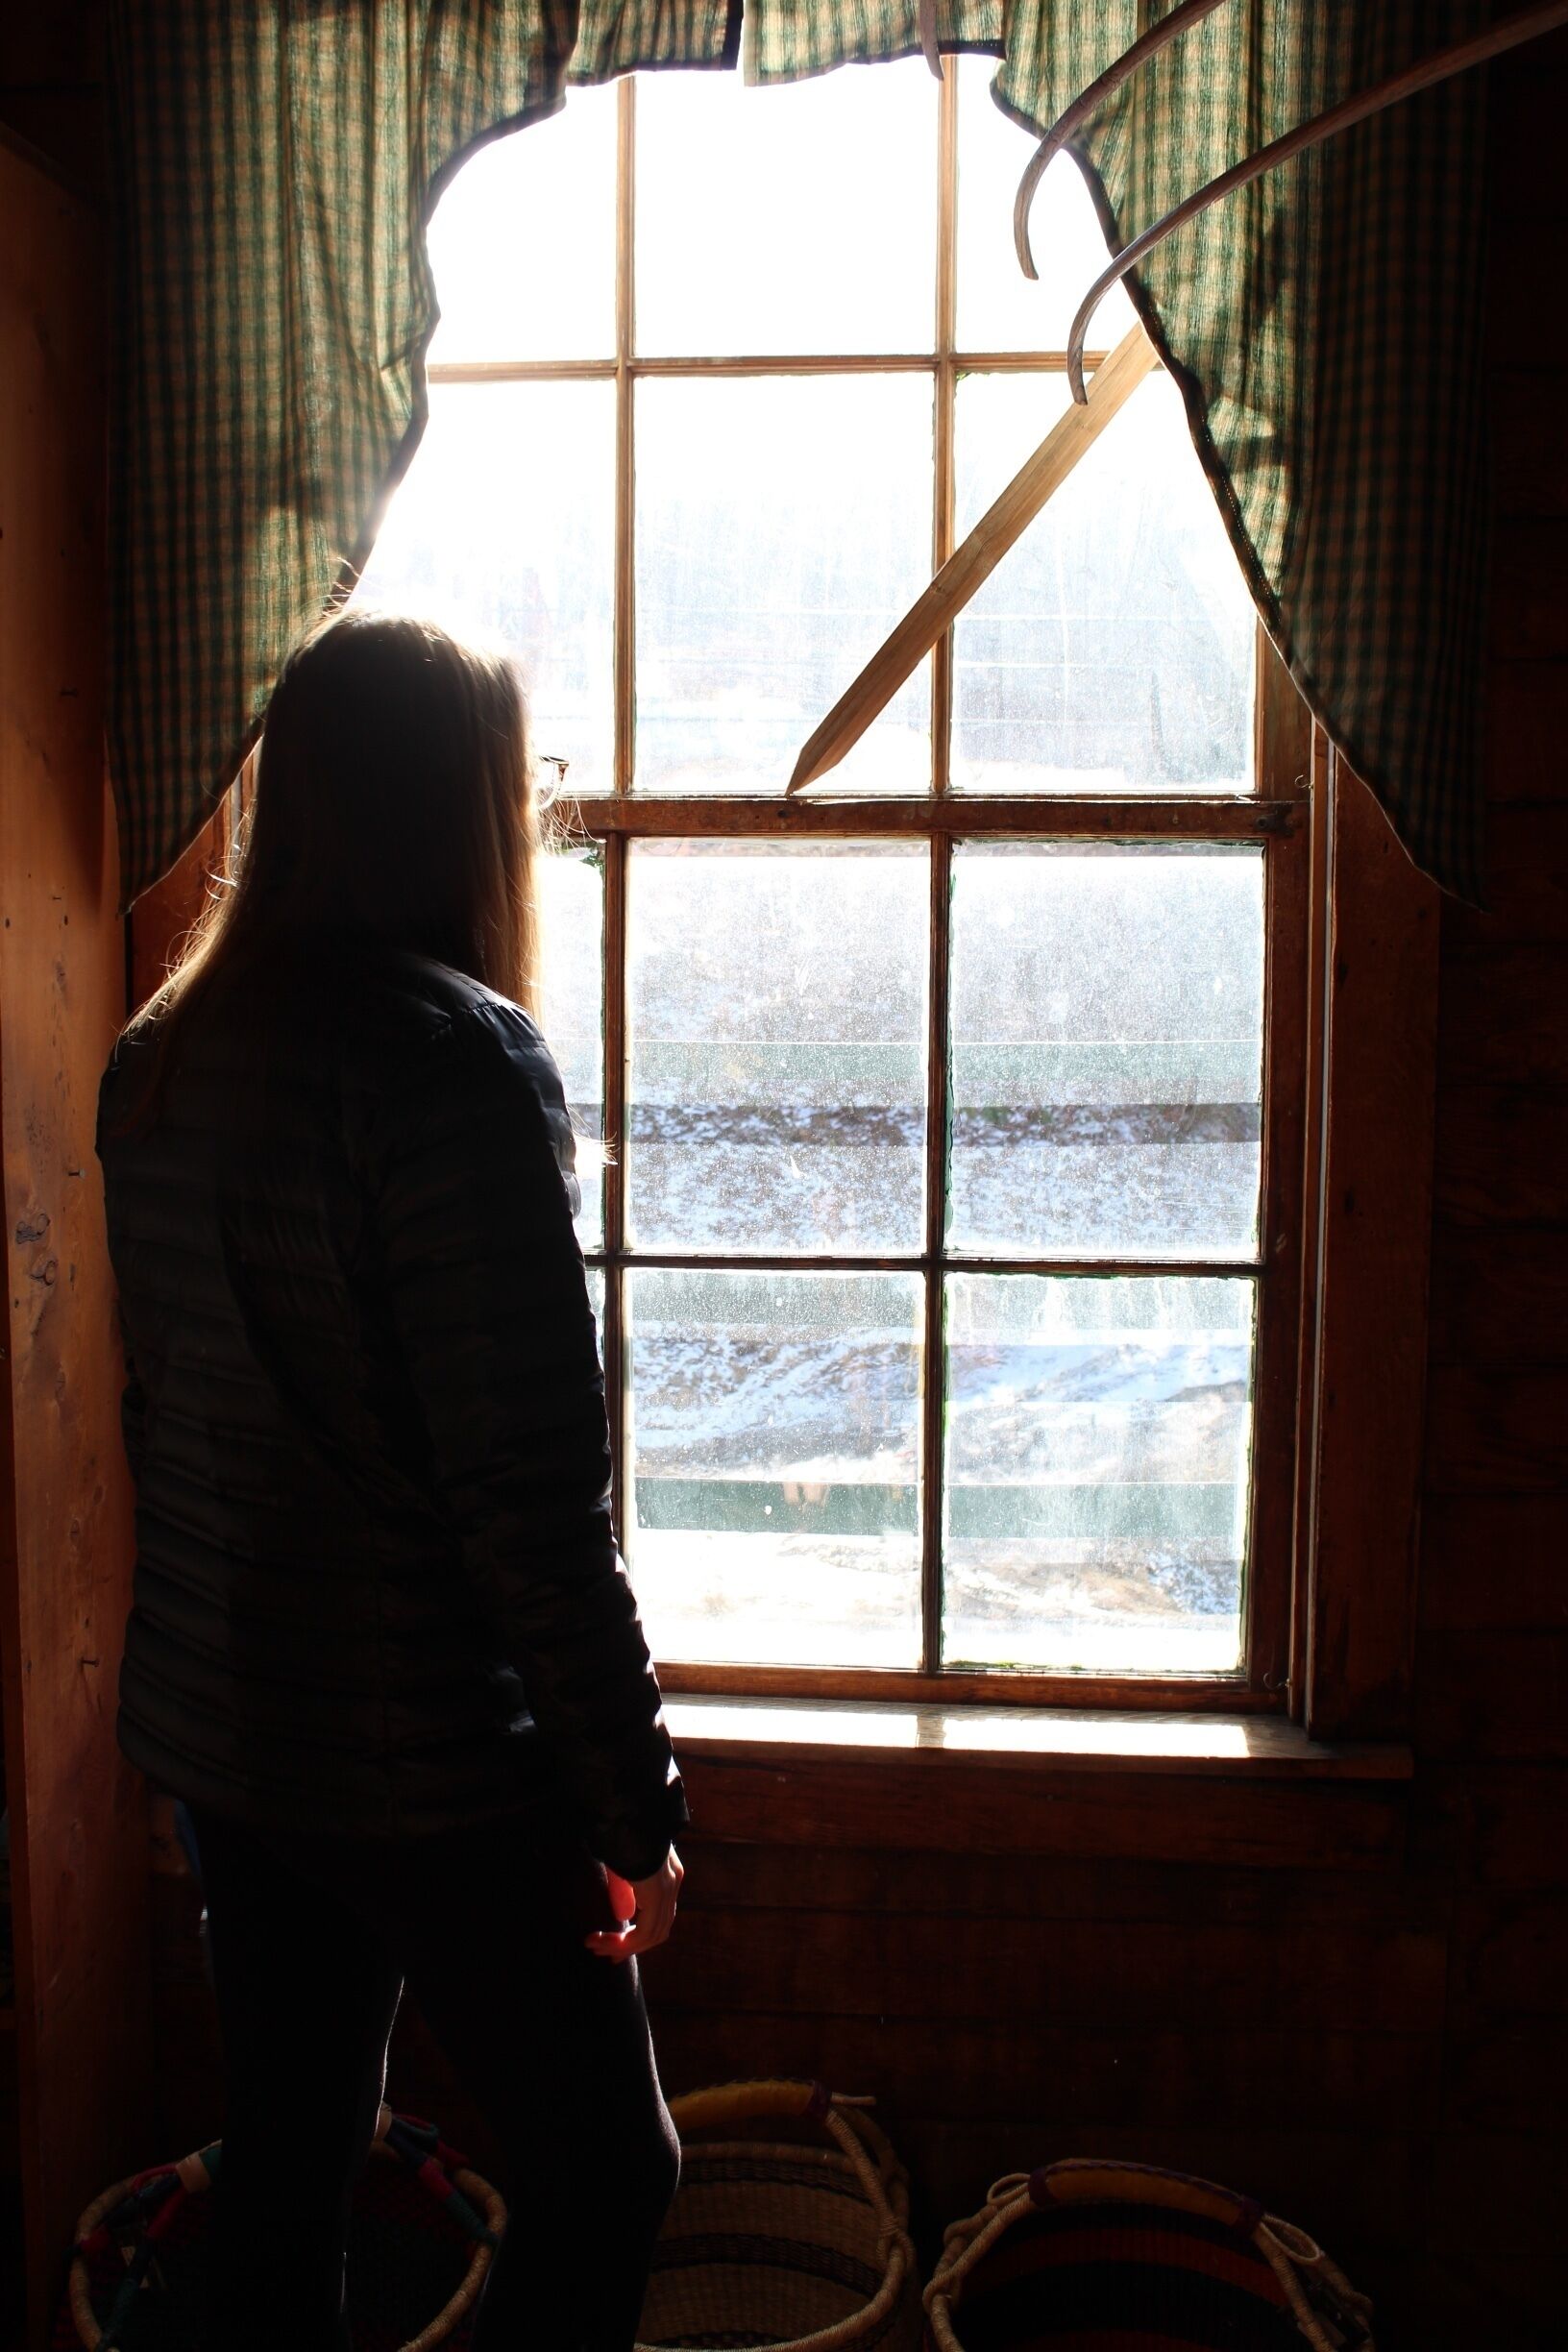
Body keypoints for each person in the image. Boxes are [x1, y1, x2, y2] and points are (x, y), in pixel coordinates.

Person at [97, 610, 686, 2352]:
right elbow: (528, 1504)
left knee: (291, 2159)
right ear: (463, 812)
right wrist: (631, 1795)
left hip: (228, 1729)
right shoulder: (460, 1067)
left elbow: (188, 1420)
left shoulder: (162, 1053)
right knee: (613, 2179)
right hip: (424, 1756)